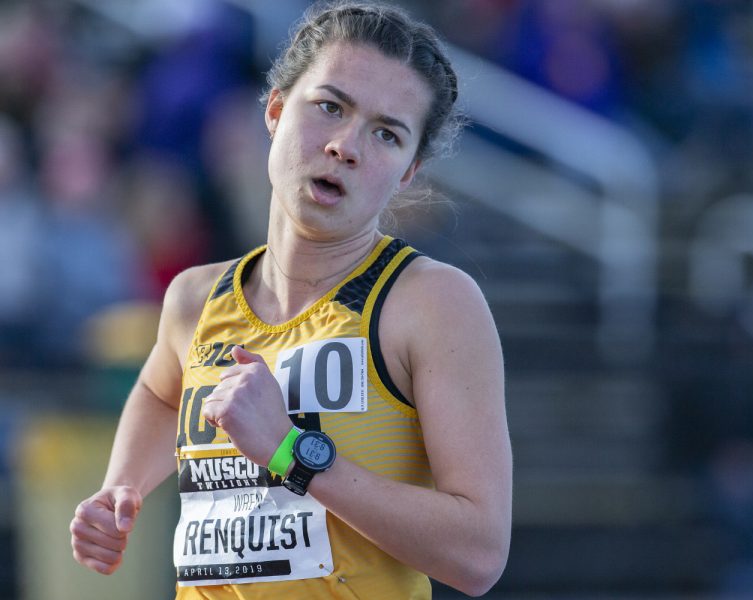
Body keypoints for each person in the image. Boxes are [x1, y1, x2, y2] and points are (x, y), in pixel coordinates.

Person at [69, 2, 512, 598]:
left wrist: (290, 452)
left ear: (408, 172)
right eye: (330, 107)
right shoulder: (195, 301)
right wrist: (120, 488)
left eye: (387, 133)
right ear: (275, 111)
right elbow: (158, 391)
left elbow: (478, 553)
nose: (346, 146)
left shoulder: (432, 303)